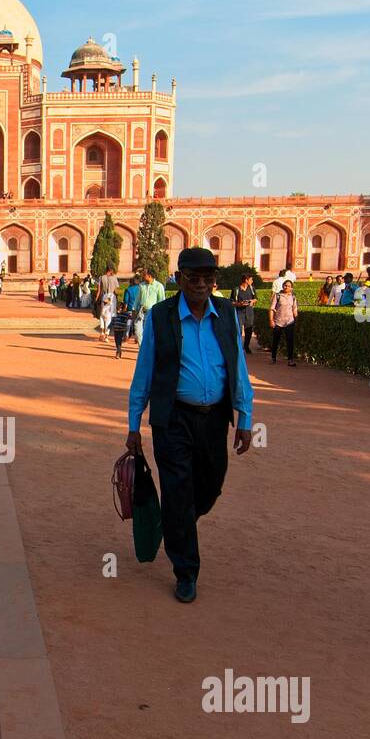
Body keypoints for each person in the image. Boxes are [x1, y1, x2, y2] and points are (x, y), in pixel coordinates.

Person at [126, 246, 254, 604]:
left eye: (207, 278)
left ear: (215, 281)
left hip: (214, 419)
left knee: (210, 486)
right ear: (179, 279)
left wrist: (245, 417)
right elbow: (145, 372)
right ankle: (186, 570)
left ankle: (176, 522)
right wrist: (134, 424)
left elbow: (238, 367)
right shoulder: (161, 316)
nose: (201, 285)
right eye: (193, 278)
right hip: (174, 418)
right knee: (179, 491)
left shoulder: (226, 313)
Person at [269, 278, 298, 365]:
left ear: (291, 288)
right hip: (278, 321)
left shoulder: (293, 297)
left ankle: (290, 360)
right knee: (276, 340)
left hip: (289, 322)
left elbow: (295, 310)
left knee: (290, 341)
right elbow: (272, 309)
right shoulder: (278, 296)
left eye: (288, 286)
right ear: (283, 286)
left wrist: (296, 320)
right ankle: (273, 357)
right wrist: (271, 320)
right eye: (285, 285)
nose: (286, 287)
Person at [136, 269, 165, 347]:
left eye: (144, 274)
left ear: (149, 276)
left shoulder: (159, 286)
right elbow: (137, 299)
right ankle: (142, 348)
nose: (142, 276)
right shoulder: (141, 285)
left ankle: (148, 350)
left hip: (152, 313)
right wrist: (134, 309)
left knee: (149, 333)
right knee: (138, 330)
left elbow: (161, 300)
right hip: (141, 312)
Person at [230, 273, 257, 353]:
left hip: (249, 311)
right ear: (246, 280)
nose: (252, 281)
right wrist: (240, 304)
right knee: (239, 330)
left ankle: (246, 346)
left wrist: (252, 301)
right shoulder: (236, 289)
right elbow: (232, 302)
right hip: (239, 312)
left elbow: (255, 298)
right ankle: (238, 347)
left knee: (249, 330)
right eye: (251, 279)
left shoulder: (252, 288)